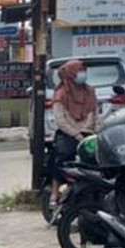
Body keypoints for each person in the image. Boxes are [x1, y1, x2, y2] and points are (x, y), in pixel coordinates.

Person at [48, 59, 99, 206]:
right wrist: (76, 135)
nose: (83, 74)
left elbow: (96, 115)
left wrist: (97, 133)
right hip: (69, 134)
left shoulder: (90, 91)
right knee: (65, 155)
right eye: (79, 71)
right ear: (70, 74)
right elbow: (61, 120)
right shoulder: (61, 94)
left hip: (89, 134)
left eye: (84, 71)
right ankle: (55, 191)